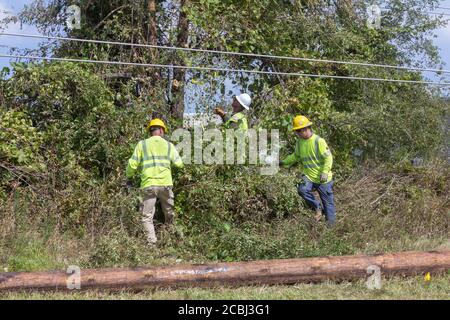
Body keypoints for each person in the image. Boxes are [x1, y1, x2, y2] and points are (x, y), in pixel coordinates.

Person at [126, 118, 184, 244]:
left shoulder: (142, 144)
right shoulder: (169, 145)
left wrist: (129, 177)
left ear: (150, 131)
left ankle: (151, 243)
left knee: (146, 217)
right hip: (165, 184)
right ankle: (169, 238)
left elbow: (132, 164)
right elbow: (179, 164)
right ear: (162, 130)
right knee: (169, 212)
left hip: (148, 185)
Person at [280, 115, 336, 226]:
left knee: (328, 205)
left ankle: (331, 229)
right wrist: (283, 162)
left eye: (299, 131)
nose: (298, 133)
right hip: (309, 176)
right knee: (302, 190)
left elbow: (328, 158)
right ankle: (317, 207)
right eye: (297, 131)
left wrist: (325, 171)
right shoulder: (299, 142)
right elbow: (295, 156)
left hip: (323, 178)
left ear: (306, 128)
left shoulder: (318, 141)